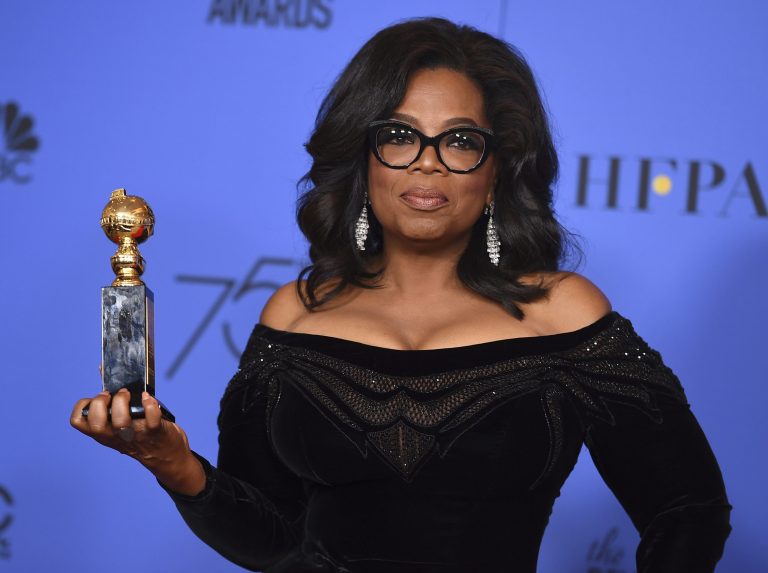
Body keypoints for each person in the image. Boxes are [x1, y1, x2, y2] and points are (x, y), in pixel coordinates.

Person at [70, 17, 732, 573]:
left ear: (497, 172)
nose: (427, 161)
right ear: (364, 159)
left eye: (461, 141)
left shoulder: (563, 313)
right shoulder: (296, 313)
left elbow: (689, 510)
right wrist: (173, 463)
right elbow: (272, 539)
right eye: (399, 135)